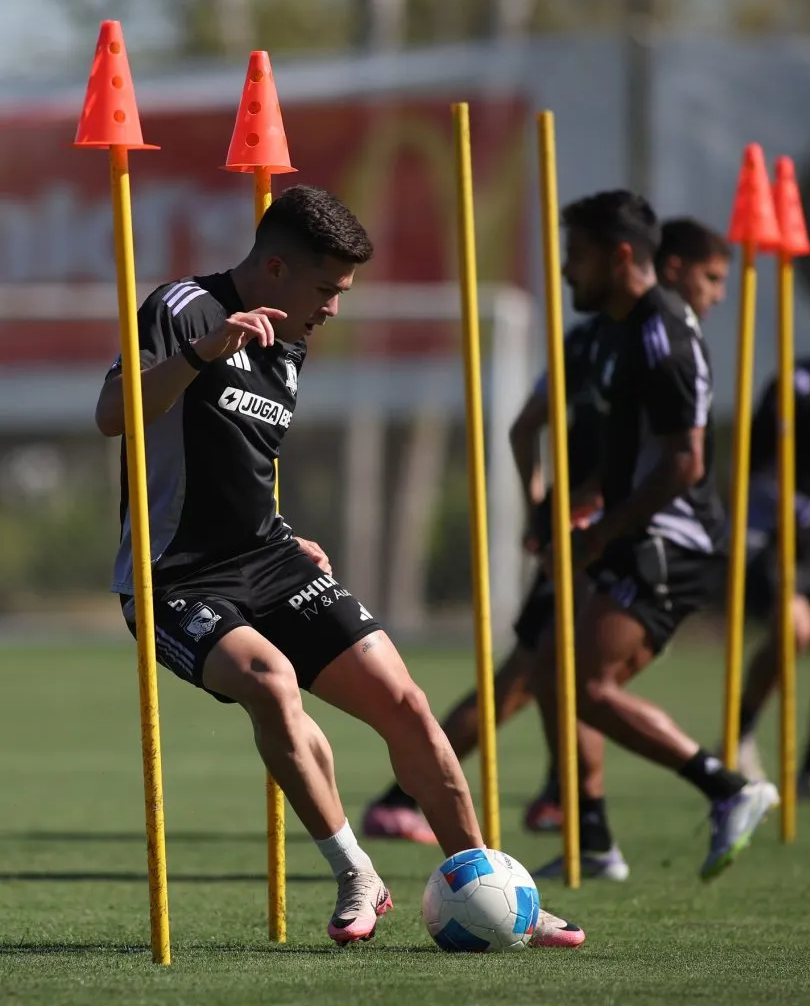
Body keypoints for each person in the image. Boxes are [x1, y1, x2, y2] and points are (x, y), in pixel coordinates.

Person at [94, 184, 584, 948]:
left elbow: (237, 466)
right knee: (269, 682)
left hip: (267, 557)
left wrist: (285, 531)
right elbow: (110, 415)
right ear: (277, 269)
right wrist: (200, 354)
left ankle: (495, 884)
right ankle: (358, 873)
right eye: (326, 289)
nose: (333, 308)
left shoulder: (291, 339)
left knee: (408, 704)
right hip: (172, 577)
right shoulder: (181, 308)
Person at [362, 216, 733, 842]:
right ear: (668, 268)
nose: (719, 293)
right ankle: (422, 797)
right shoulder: (640, 341)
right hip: (600, 532)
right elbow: (650, 456)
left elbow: (524, 428)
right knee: (541, 678)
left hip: (585, 524)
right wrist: (567, 515)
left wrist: (544, 508)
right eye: (712, 277)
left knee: (557, 674)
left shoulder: (599, 339)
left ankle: (573, 809)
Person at [528, 190, 778, 883]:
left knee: (589, 683)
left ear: (621, 256)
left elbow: (681, 463)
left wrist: (597, 533)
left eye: (574, 256)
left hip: (672, 542)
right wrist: (570, 514)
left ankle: (729, 789)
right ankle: (594, 839)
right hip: (630, 531)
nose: (565, 271)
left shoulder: (658, 334)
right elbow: (627, 455)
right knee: (549, 667)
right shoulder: (617, 329)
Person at [729, 358, 810, 797]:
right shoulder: (795, 384)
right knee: (794, 629)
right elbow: (752, 468)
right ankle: (740, 735)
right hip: (780, 535)